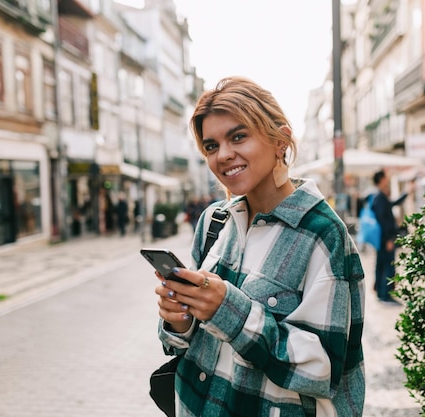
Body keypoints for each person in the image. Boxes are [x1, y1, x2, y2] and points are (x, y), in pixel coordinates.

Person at [153, 76, 366, 416]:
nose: (223, 155)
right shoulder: (214, 221)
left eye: (238, 136)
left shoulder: (322, 234)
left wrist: (228, 310)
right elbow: (185, 343)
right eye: (211, 146)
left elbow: (324, 369)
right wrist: (178, 319)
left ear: (280, 140)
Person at [371, 169, 408, 303]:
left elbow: (393, 204)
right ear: (381, 180)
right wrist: (389, 239)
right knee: (388, 266)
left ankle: (381, 292)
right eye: (386, 178)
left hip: (381, 238)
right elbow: (383, 220)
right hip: (385, 238)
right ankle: (385, 293)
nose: (387, 180)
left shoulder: (379, 196)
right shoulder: (379, 197)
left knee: (382, 265)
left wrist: (406, 193)